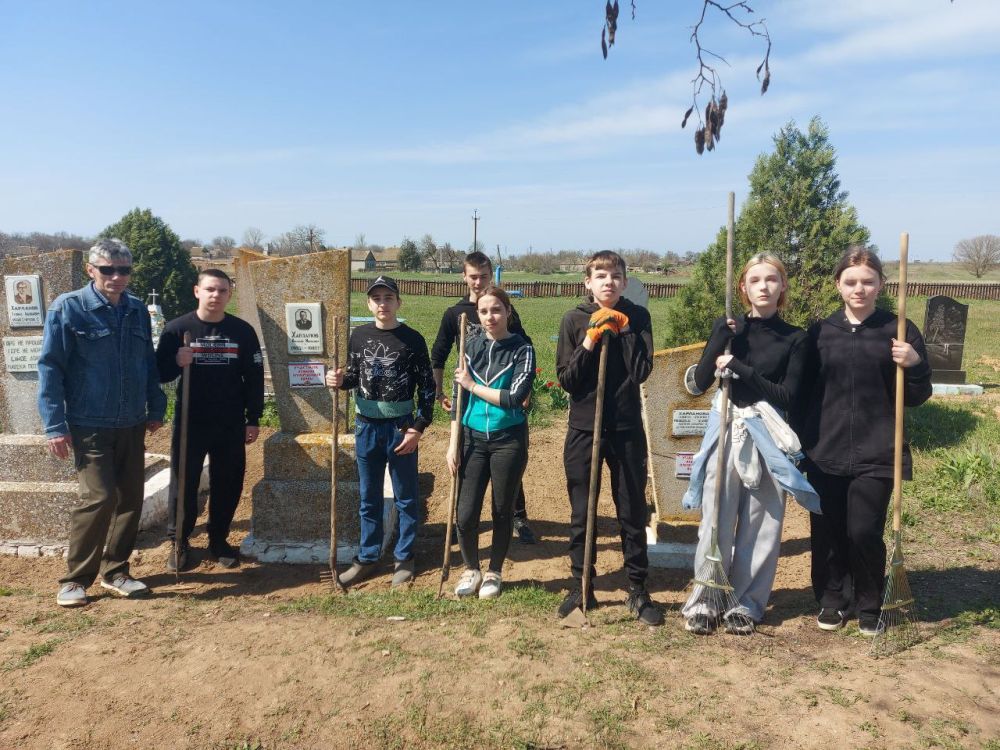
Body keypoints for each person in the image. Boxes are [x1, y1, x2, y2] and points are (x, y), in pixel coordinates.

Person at [680, 254, 820, 635]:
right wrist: (718, 337)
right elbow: (700, 383)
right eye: (755, 280)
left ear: (783, 286)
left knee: (761, 522)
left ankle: (746, 603)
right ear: (742, 287)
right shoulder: (731, 330)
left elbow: (787, 395)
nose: (763, 286)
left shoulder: (795, 338)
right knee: (716, 517)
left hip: (768, 433)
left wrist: (740, 368)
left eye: (771, 279)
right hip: (726, 427)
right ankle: (706, 599)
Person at [798, 247, 932, 636]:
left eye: (868, 282)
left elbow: (917, 396)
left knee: (863, 531)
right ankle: (832, 598)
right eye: (851, 281)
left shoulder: (899, 331)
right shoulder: (820, 333)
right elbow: (803, 393)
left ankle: (869, 603)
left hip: (878, 449)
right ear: (838, 285)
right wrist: (801, 444)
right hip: (826, 449)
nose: (860, 289)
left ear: (881, 285)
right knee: (828, 530)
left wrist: (914, 364)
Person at [38, 238, 166, 607]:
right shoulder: (69, 308)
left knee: (131, 498)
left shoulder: (136, 309)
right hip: (89, 422)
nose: (116, 276)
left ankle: (116, 571)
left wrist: (156, 407)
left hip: (131, 421)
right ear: (91, 270)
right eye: (108, 269)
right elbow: (50, 368)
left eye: (124, 270)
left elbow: (147, 362)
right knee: (98, 497)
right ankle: (75, 580)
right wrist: (54, 425)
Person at [555, 250, 663, 626]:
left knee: (632, 510)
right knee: (582, 511)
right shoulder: (573, 319)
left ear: (624, 282)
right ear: (588, 282)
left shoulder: (638, 317)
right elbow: (568, 380)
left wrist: (624, 330)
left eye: (615, 276)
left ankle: (638, 589)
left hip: (626, 429)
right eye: (600, 276)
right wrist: (590, 340)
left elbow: (641, 371)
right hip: (584, 429)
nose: (608, 282)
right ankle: (581, 586)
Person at [325, 275, 435, 588]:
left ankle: (404, 556)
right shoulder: (358, 336)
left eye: (388, 298)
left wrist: (417, 429)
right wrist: (338, 381)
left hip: (401, 428)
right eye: (376, 298)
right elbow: (353, 377)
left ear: (399, 302)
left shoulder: (412, 340)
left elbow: (427, 388)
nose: (382, 303)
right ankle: (368, 556)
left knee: (406, 497)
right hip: (366, 427)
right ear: (369, 304)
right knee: (368, 496)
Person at [155, 268, 265, 570]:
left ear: (229, 294)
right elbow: (160, 373)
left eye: (222, 290)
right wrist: (176, 361)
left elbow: (254, 377)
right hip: (191, 420)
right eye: (210, 289)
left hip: (230, 421)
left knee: (228, 481)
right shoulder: (177, 329)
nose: (216, 295)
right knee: (184, 481)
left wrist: (253, 417)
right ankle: (179, 541)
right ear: (197, 291)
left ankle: (218, 540)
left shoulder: (242, 331)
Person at [431, 251, 538, 544]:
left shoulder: (502, 308)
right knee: (466, 461)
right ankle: (464, 522)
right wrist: (440, 391)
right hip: (469, 395)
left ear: (491, 276)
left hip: (501, 396)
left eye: (484, 277)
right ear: (464, 277)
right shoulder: (454, 313)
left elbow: (525, 347)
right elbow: (439, 354)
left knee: (507, 462)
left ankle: (518, 516)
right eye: (473, 277)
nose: (478, 282)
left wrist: (525, 392)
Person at [446, 286, 535, 599]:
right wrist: (453, 444)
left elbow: (514, 398)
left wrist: (472, 385)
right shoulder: (469, 347)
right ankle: (471, 569)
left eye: (496, 309)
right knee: (465, 513)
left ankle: (494, 571)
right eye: (483, 311)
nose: (490, 317)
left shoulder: (522, 349)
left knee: (501, 510)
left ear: (508, 311)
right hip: (471, 439)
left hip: (508, 440)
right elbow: (457, 399)